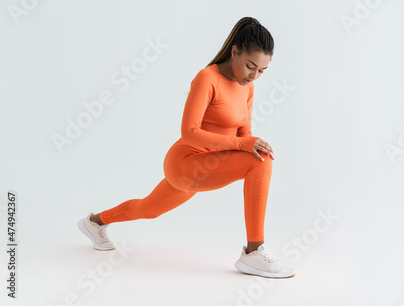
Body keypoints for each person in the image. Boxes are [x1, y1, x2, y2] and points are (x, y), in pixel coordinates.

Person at [77, 17, 295, 278]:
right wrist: (243, 144)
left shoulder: (247, 88)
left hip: (208, 166)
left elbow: (243, 133)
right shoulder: (207, 78)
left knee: (148, 209)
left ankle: (94, 222)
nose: (254, 75)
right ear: (235, 51)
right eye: (250, 66)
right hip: (186, 162)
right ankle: (253, 251)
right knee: (261, 163)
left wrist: (251, 142)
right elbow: (189, 132)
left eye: (262, 71)